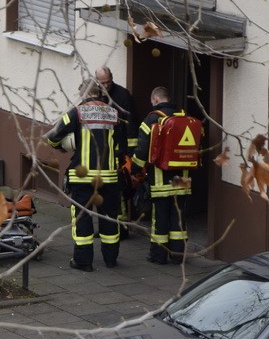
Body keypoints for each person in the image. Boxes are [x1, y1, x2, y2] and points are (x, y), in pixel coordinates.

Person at [45, 78, 126, 271]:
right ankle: (110, 259)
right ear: (100, 93)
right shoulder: (115, 114)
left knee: (82, 217)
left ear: (83, 94)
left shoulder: (78, 112)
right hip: (109, 177)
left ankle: (83, 261)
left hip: (82, 178)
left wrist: (62, 146)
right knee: (109, 216)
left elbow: (54, 135)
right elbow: (123, 145)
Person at [132, 86, 191, 265]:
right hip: (182, 177)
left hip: (160, 177)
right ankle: (178, 255)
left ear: (156, 100)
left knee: (160, 218)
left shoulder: (152, 118)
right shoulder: (183, 116)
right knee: (178, 217)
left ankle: (158, 256)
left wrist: (135, 168)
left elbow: (142, 148)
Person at [94, 66, 138, 236]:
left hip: (118, 152)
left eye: (108, 82)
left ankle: (122, 228)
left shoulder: (122, 95)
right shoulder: (94, 95)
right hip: (99, 152)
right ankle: (105, 226)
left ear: (112, 78)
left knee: (117, 191)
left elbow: (131, 123)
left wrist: (130, 152)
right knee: (99, 190)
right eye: (102, 83)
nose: (106, 86)